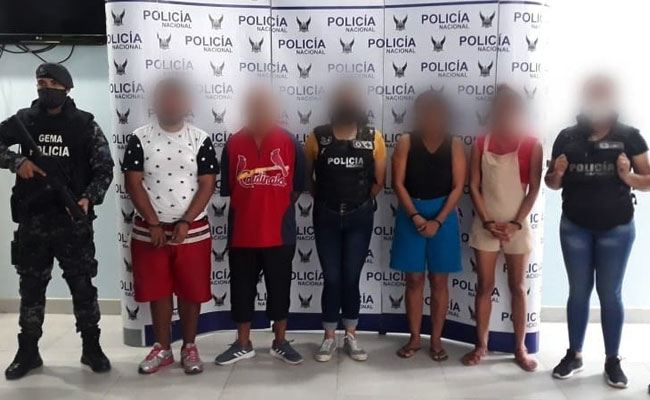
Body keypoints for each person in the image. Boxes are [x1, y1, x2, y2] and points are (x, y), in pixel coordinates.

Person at [0, 63, 113, 379]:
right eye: (41, 83)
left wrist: (88, 198)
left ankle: (91, 347)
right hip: (33, 220)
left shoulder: (85, 124)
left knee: (82, 286)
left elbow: (104, 168)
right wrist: (16, 161)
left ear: (67, 88)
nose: (45, 88)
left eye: (52, 83)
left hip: (71, 221)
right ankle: (28, 351)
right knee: (31, 288)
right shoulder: (24, 120)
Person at [545, 76, 650, 388]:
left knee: (610, 293)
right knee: (578, 292)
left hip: (617, 229)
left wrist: (627, 177)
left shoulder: (630, 137)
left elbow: (648, 181)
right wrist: (557, 173)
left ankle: (612, 360)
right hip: (574, 227)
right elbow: (551, 183)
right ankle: (574, 354)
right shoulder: (566, 136)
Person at [122, 78, 218, 375]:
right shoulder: (140, 138)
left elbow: (208, 184)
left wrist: (186, 221)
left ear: (187, 104)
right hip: (149, 231)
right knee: (159, 291)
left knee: (191, 292)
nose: (171, 104)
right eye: (165, 98)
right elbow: (133, 182)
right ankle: (162, 348)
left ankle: (189, 346)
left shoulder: (199, 139)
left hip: (192, 231)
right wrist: (153, 222)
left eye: (177, 98)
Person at [215, 86, 306, 366]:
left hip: (279, 234)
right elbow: (230, 189)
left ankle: (280, 342)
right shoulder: (233, 144)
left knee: (280, 291)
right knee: (242, 291)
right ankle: (243, 343)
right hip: (242, 234)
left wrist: (273, 204)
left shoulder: (290, 142)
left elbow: (297, 188)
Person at [304, 83, 386, 362]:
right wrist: (326, 201)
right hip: (325, 216)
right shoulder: (317, 136)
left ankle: (351, 336)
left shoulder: (373, 137)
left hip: (359, 218)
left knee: (351, 278)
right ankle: (328, 337)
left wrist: (360, 203)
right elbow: (307, 178)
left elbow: (380, 181)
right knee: (332, 278)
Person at [463, 85, 542, 371]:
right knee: (484, 286)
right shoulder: (481, 143)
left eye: (511, 110)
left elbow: (534, 188)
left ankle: (520, 347)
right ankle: (481, 345)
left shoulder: (532, 145)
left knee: (518, 287)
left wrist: (516, 223)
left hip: (516, 227)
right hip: (485, 225)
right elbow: (473, 185)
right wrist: (486, 221)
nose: (505, 115)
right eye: (500, 110)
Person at [390, 90, 466, 361]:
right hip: (411, 213)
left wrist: (438, 220)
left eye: (436, 111)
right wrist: (415, 216)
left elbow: (458, 186)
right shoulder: (406, 142)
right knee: (413, 279)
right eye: (426, 111)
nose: (431, 116)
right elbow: (397, 183)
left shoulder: (454, 144)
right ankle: (414, 338)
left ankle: (436, 340)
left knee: (439, 280)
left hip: (443, 215)